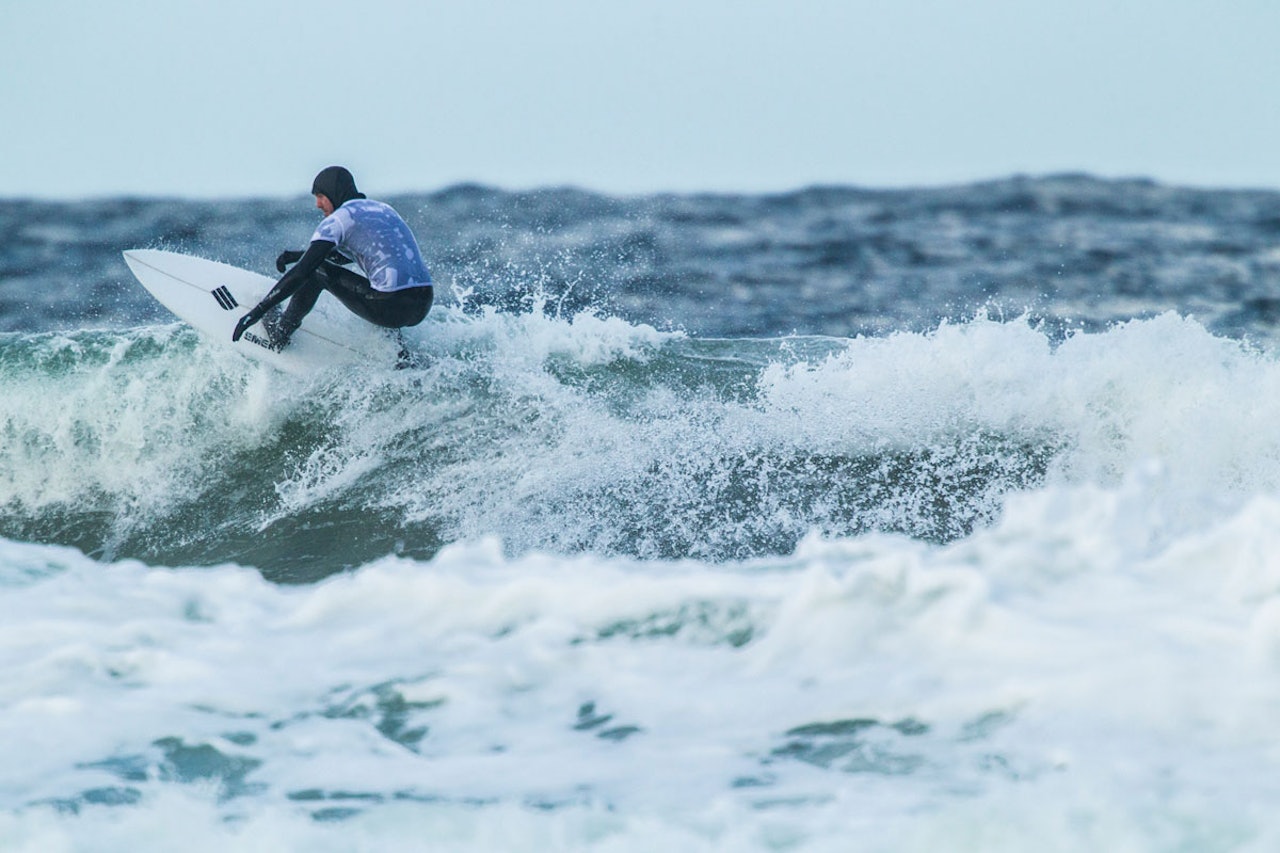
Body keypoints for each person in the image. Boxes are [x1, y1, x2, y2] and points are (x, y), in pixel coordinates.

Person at [232, 166, 433, 352]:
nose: (318, 204)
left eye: (320, 196)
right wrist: (298, 256)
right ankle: (400, 355)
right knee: (385, 283)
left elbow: (304, 272)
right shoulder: (383, 209)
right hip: (422, 303)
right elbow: (353, 254)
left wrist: (257, 312)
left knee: (316, 272)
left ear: (334, 193)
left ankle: (279, 334)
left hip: (390, 308)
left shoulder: (339, 219)